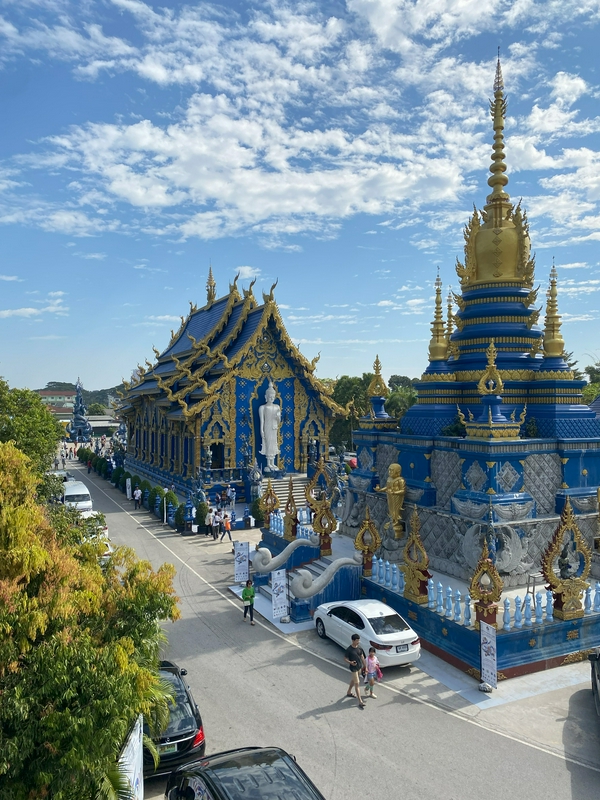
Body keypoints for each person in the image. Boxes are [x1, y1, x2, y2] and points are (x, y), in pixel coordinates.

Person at [259, 380, 281, 472]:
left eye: (273, 396)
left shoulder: (277, 407)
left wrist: (278, 417)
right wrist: (261, 430)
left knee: (273, 444)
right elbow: (262, 421)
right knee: (268, 444)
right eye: (269, 396)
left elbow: (279, 421)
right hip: (267, 427)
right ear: (266, 397)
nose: (271, 398)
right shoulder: (262, 407)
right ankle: (268, 463)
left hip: (274, 428)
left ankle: (273, 463)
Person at [344, 633, 366, 708]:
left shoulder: (359, 648)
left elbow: (362, 657)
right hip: (353, 668)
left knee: (353, 680)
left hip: (359, 667)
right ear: (353, 640)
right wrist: (350, 662)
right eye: (357, 640)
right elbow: (345, 658)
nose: (358, 642)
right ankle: (360, 701)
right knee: (357, 684)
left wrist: (365, 667)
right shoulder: (349, 649)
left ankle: (349, 692)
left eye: (359, 640)